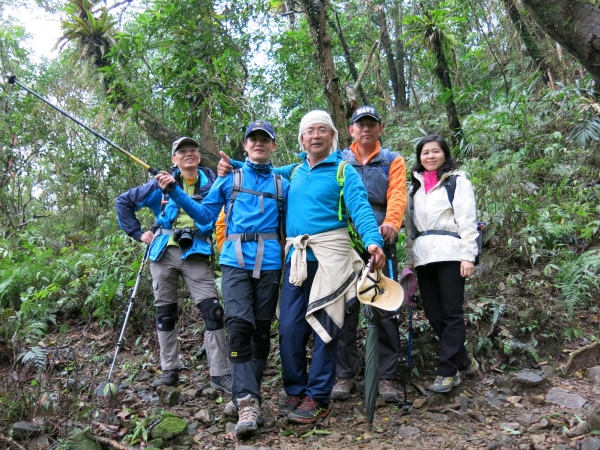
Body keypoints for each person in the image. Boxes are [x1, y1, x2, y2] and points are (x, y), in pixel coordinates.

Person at [218, 110, 386, 424]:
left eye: (323, 130)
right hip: (296, 260)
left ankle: (318, 397)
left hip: (330, 259)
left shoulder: (343, 171)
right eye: (310, 131)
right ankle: (295, 388)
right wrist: (231, 166)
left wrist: (373, 241)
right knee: (290, 330)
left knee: (325, 327)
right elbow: (259, 170)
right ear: (302, 138)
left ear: (333, 136)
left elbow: (361, 209)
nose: (316, 136)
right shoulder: (292, 171)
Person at [156, 121, 288, 437]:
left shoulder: (283, 184)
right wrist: (174, 192)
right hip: (234, 263)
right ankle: (247, 403)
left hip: (270, 263)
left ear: (273, 146)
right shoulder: (228, 182)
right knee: (240, 326)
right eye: (253, 140)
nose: (258, 144)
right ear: (245, 145)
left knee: (260, 332)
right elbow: (203, 218)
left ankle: (245, 394)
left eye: (264, 140)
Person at [116, 137, 232, 393]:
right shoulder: (160, 184)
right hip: (162, 252)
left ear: (199, 156)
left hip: (197, 250)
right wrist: (138, 233)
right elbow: (123, 202)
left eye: (193, 150)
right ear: (174, 159)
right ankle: (169, 370)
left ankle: (220, 373)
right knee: (165, 313)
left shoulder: (213, 184)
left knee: (212, 310)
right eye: (182, 151)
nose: (189, 154)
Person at [332, 105, 407, 403]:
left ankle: (386, 376)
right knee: (344, 307)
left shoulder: (392, 160)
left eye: (371, 124)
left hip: (381, 242)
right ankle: (343, 374)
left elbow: (398, 194)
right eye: (360, 124)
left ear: (380, 128)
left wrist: (391, 221)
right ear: (351, 130)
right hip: (344, 243)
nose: (365, 128)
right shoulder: (338, 160)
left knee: (384, 307)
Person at [404, 134, 479, 393]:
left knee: (452, 312)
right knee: (435, 315)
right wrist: (411, 262)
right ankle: (465, 361)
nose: (430, 156)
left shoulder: (457, 182)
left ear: (445, 155)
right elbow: (410, 229)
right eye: (425, 153)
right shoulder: (413, 188)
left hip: (450, 253)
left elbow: (467, 221)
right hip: (424, 257)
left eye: (435, 151)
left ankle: (448, 372)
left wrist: (468, 256)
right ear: (419, 158)